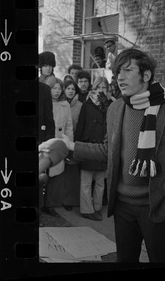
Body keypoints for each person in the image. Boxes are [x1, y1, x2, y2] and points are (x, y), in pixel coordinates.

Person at [62, 48, 165, 262]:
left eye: (128, 70)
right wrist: (71, 145)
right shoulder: (116, 108)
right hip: (122, 207)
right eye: (118, 71)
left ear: (146, 75)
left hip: (157, 206)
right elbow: (107, 150)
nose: (120, 77)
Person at [74, 76, 113, 221]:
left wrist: (106, 107)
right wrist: (77, 146)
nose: (101, 91)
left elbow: (112, 124)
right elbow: (80, 126)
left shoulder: (110, 105)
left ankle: (97, 208)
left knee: (100, 182)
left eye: (104, 88)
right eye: (98, 88)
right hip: (87, 145)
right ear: (94, 89)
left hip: (102, 147)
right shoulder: (87, 105)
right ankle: (86, 209)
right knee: (86, 182)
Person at [42, 76, 74, 216]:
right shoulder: (43, 102)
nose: (57, 91)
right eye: (53, 88)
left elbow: (69, 126)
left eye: (59, 88)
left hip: (59, 141)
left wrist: (68, 144)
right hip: (45, 141)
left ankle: (49, 204)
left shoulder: (65, 104)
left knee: (55, 176)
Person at [61, 77, 83, 211]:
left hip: (74, 141)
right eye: (68, 88)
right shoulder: (60, 103)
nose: (70, 91)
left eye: (73, 89)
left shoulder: (80, 105)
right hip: (60, 139)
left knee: (71, 173)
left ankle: (70, 200)